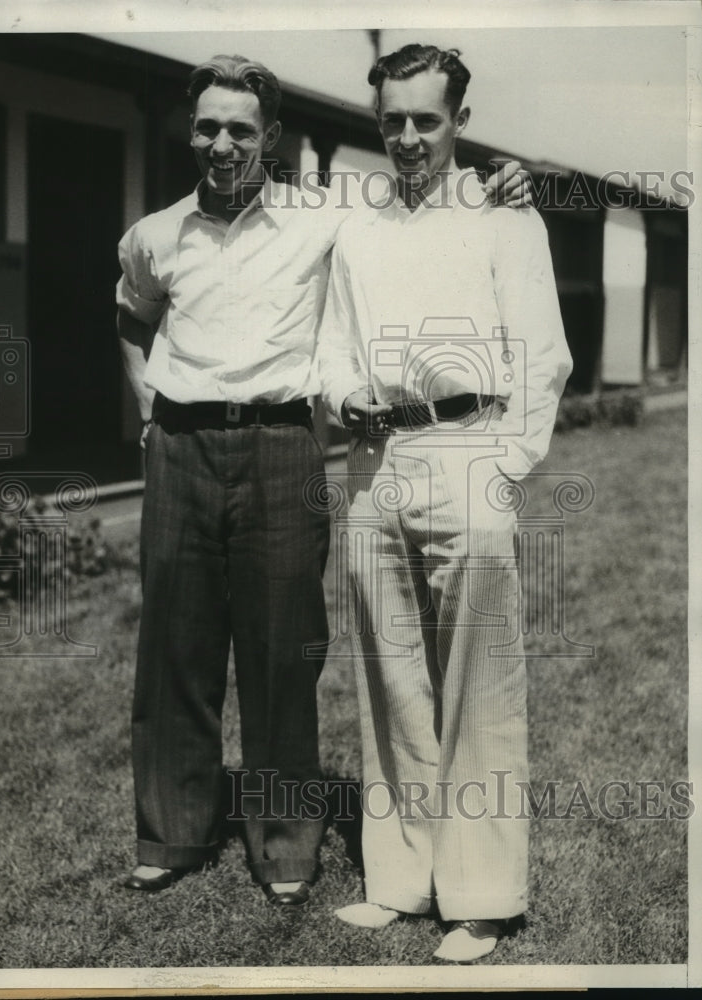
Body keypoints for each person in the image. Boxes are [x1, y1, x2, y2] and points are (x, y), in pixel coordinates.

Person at [115, 53, 530, 908]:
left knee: (282, 647)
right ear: (186, 130)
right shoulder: (155, 233)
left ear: (273, 137)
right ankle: (171, 832)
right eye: (207, 126)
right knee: (174, 652)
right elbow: (129, 312)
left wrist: (503, 178)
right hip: (182, 447)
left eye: (241, 129)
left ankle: (284, 842)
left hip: (281, 445)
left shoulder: (325, 217)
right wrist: (148, 405)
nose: (222, 144)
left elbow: (426, 191)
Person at [318, 44, 573, 959]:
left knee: (479, 683)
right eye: (393, 120)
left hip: (470, 450)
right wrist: (343, 396)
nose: (409, 137)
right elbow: (332, 345)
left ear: (459, 121)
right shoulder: (357, 225)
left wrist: (505, 466)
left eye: (427, 120)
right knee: (389, 677)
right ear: (376, 121)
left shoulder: (508, 218)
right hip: (375, 461)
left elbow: (541, 356)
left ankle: (481, 898)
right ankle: (399, 876)